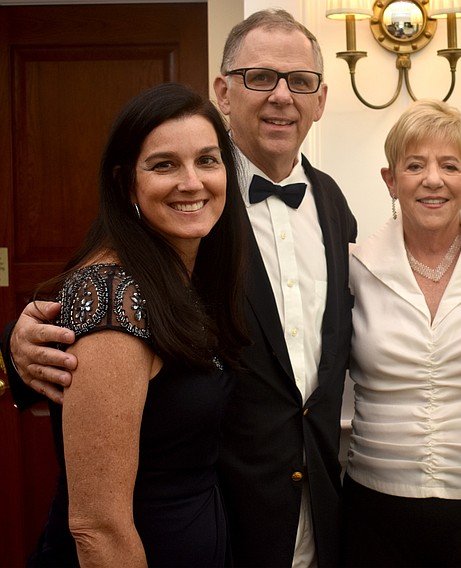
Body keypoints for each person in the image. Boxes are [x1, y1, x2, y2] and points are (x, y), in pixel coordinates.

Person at [1, 9, 357, 567]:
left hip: (319, 511)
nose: (282, 96)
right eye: (260, 77)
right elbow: (100, 299)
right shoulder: (187, 207)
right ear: (224, 90)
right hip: (220, 514)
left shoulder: (334, 204)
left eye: (300, 81)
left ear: (320, 98)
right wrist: (16, 346)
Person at [24, 82, 248, 566]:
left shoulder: (184, 276)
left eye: (208, 160)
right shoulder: (110, 296)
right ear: (128, 183)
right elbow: (97, 526)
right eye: (164, 164)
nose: (192, 182)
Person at [342, 100, 461, 567]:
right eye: (415, 165)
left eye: (449, 165)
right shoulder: (353, 266)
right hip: (375, 509)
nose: (433, 179)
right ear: (391, 180)